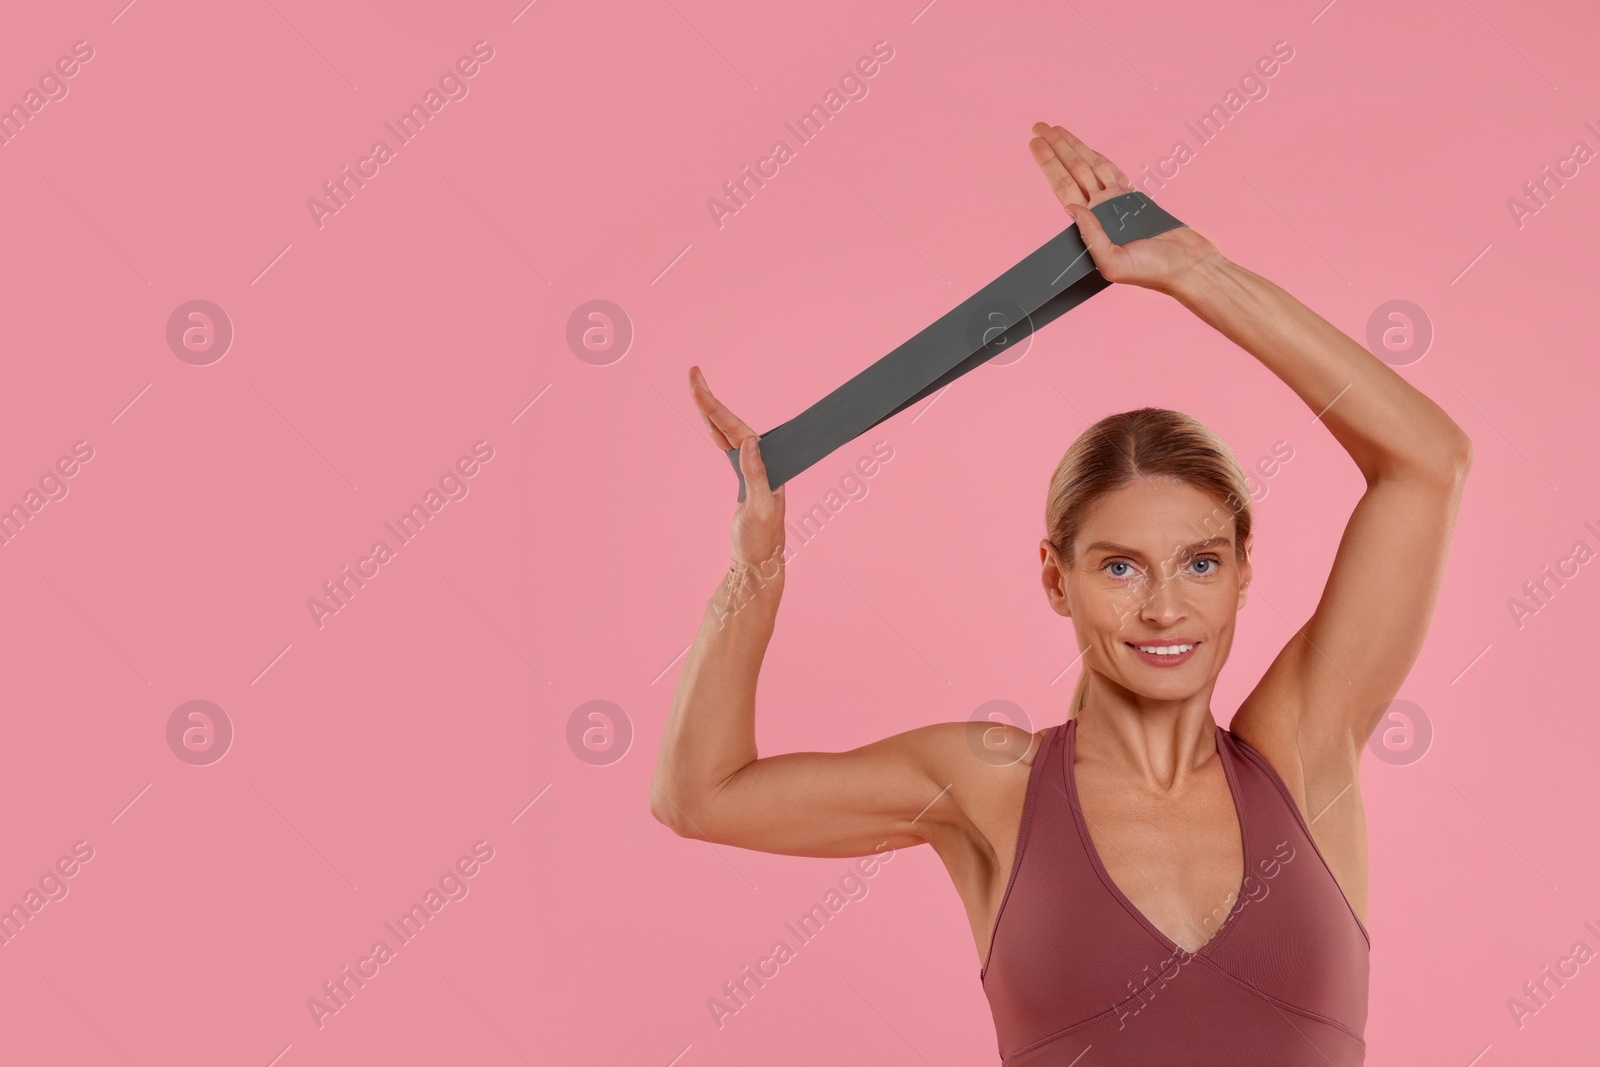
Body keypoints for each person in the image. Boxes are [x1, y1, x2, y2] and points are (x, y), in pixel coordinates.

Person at [651, 122, 1471, 1065]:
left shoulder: (1303, 752)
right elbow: (702, 795)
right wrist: (754, 567)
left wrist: (1199, 274)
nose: (1165, 608)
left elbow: (1428, 463)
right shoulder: (991, 786)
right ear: (1056, 577)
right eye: (1119, 566)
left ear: (1245, 572)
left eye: (1200, 563)